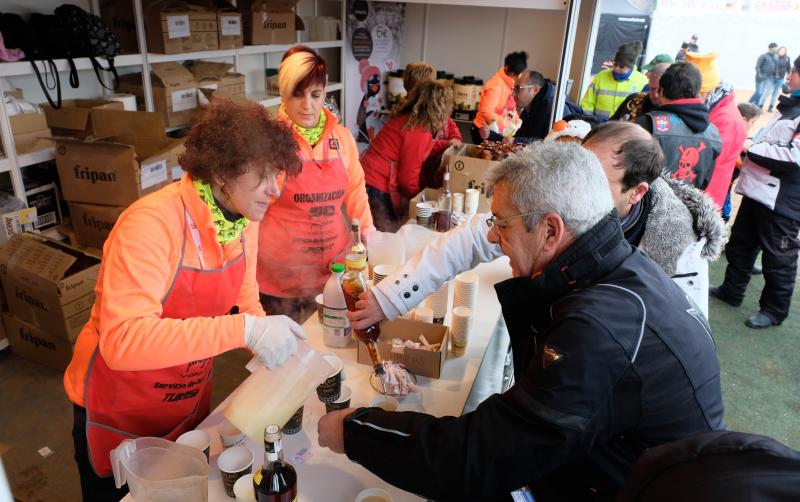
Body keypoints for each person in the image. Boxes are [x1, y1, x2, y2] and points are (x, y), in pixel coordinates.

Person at [318, 141, 724, 501]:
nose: (492, 238)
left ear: (550, 230)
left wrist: (355, 431)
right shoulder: (623, 271)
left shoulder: (598, 330)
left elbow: (478, 458)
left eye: (502, 223)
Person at [62, 100, 308, 502]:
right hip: (122, 410)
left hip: (188, 399)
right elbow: (123, 341)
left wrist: (268, 341)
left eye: (278, 173)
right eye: (263, 174)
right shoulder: (151, 224)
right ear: (221, 170)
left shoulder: (243, 222)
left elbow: (244, 301)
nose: (275, 189)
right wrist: (245, 329)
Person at [257, 45, 375, 323]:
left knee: (326, 345)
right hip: (279, 277)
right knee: (280, 357)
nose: (307, 105)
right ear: (283, 93)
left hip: (331, 271)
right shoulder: (268, 142)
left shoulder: (342, 138)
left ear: (325, 93)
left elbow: (356, 191)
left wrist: (368, 234)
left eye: (316, 94)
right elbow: (251, 211)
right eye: (298, 94)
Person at [710, 55, 800, 329]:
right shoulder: (789, 107)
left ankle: (773, 311)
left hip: (781, 200)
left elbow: (793, 156)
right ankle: (731, 290)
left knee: (779, 258)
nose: (788, 76)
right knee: (741, 245)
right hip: (758, 192)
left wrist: (751, 147)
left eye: (794, 72)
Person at [361, 81, 455, 231]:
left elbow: (422, 147)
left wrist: (446, 143)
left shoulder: (411, 121)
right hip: (377, 184)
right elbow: (407, 180)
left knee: (379, 233)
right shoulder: (419, 131)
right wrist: (420, 200)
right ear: (442, 108)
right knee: (386, 234)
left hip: (369, 177)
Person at [637, 61, 722, 191]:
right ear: (697, 91)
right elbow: (704, 182)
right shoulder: (713, 133)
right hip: (686, 208)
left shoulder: (648, 124)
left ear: (661, 90)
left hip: (647, 206)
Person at [685, 52, 748, 211]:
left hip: (703, 202)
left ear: (703, 92)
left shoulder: (726, 120)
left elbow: (711, 168)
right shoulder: (712, 108)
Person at [581, 41, 648, 121]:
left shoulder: (642, 81)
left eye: (621, 66)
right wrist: (588, 121)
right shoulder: (600, 76)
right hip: (597, 126)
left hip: (623, 129)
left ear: (631, 66)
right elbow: (587, 104)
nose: (616, 68)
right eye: (615, 64)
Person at [472, 51, 528, 143]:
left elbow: (511, 109)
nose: (517, 78)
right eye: (516, 75)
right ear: (507, 68)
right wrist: (505, 124)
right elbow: (485, 111)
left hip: (499, 130)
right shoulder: (496, 85)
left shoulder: (510, 85)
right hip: (483, 130)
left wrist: (516, 120)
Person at [511, 70, 582, 143]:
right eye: (513, 89)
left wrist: (516, 141)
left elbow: (549, 144)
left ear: (535, 90)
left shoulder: (552, 108)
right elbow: (521, 136)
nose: (513, 94)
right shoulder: (529, 109)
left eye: (518, 88)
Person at [762, 46, 792, 112]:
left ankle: (771, 107)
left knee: (775, 93)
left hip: (780, 79)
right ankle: (760, 106)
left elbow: (788, 69)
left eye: (784, 50)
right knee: (768, 92)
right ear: (778, 50)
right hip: (771, 78)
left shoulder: (787, 59)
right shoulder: (774, 57)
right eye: (781, 50)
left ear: (785, 52)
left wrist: (789, 78)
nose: (782, 51)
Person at [749, 43, 779, 107]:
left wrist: (776, 76)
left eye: (776, 48)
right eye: (775, 48)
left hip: (770, 78)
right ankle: (750, 103)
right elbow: (757, 67)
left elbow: (776, 67)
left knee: (762, 93)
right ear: (770, 48)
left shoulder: (776, 56)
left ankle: (755, 105)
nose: (776, 49)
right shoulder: (763, 56)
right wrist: (760, 75)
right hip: (760, 78)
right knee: (759, 92)